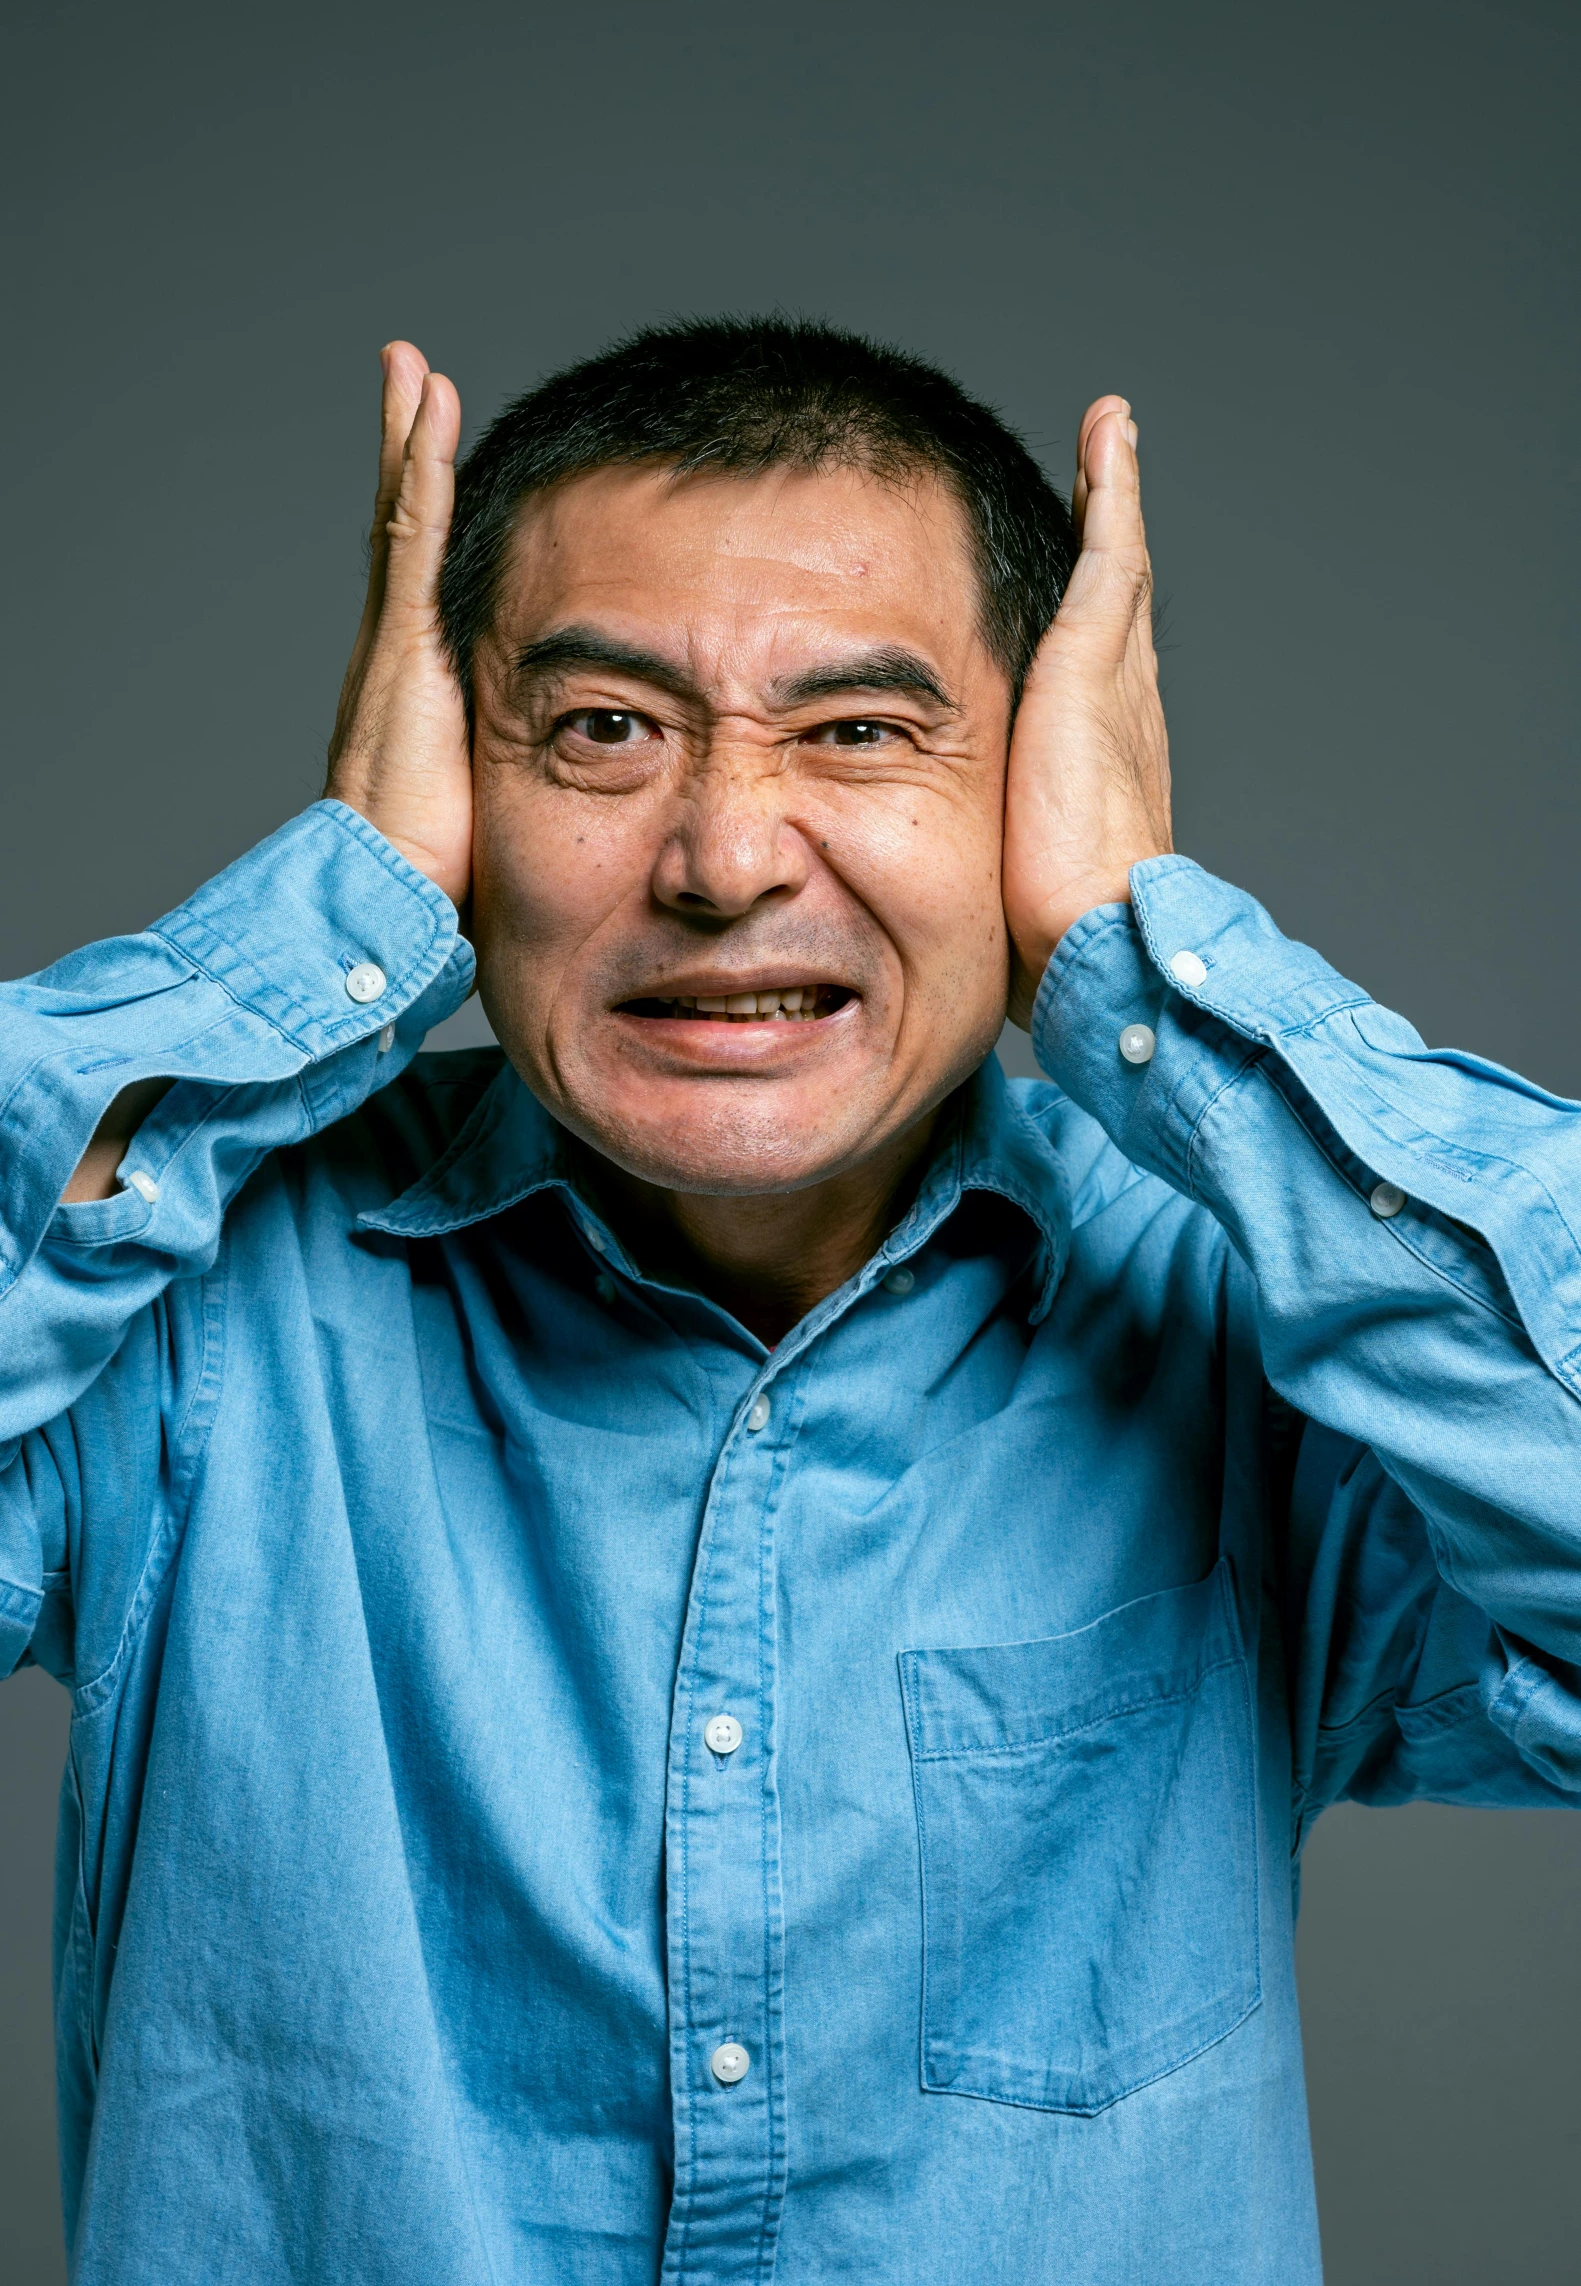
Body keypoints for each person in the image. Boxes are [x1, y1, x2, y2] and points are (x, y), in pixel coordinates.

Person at [3, 317, 1578, 2286]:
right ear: (455, 791)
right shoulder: (183, 1304)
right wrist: (323, 917)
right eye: (597, 730)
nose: (728, 856)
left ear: (1029, 787)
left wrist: (1155, 975)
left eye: (859, 731)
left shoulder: (1253, 1317)